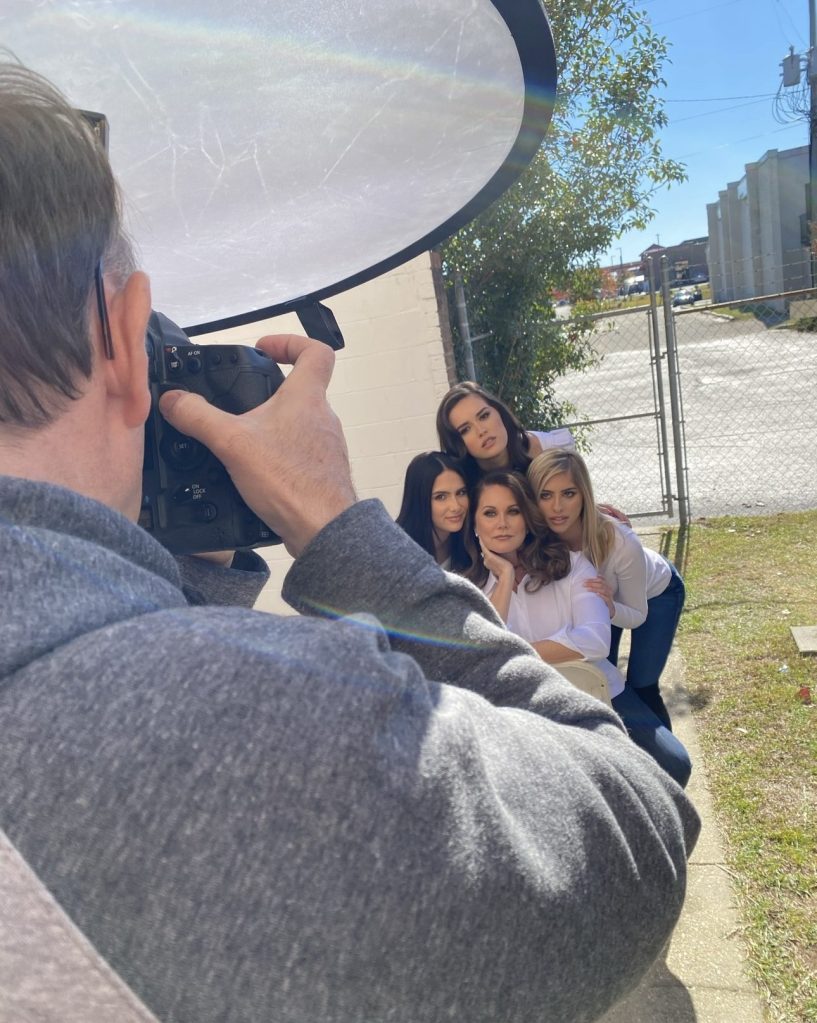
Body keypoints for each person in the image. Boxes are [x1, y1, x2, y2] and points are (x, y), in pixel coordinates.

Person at [0, 59, 699, 1023]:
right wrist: (337, 526)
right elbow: (638, 831)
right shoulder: (253, 726)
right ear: (126, 341)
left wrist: (182, 578)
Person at [528, 448, 693, 788]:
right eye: (546, 495)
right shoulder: (540, 537)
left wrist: (610, 607)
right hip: (603, 603)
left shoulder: (619, 542)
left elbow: (636, 616)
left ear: (583, 496)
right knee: (605, 677)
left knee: (641, 684)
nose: (557, 507)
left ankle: (667, 780)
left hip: (652, 596)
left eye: (568, 494)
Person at [466, 472, 624, 701]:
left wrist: (514, 653)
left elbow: (596, 641)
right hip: (525, 711)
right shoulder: (469, 589)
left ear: (528, 521)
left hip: (597, 696)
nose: (502, 524)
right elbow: (484, 660)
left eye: (513, 511)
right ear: (475, 524)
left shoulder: (572, 565)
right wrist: (506, 576)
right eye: (490, 513)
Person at [436, 380, 575, 481]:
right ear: (456, 443)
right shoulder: (459, 487)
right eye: (465, 429)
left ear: (499, 412)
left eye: (484, 416)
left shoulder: (548, 448)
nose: (481, 430)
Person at [395, 451, 476, 571]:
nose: (456, 506)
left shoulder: (469, 542)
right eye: (441, 497)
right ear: (419, 500)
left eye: (461, 493)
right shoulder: (398, 551)